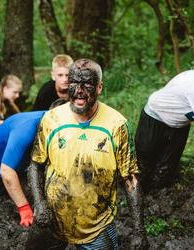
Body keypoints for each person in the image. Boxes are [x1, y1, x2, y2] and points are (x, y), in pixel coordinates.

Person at [26, 59, 149, 249]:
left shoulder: (117, 125)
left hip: (97, 226)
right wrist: (39, 204)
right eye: (74, 82)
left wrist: (139, 231)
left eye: (88, 84)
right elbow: (35, 165)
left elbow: (130, 178)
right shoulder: (52, 119)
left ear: (99, 87)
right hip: (51, 218)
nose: (79, 90)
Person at [135, 56, 194, 193]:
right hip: (155, 116)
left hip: (179, 124)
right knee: (142, 169)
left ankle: (160, 203)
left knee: (165, 174)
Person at [0, 99, 66, 227]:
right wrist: (24, 209)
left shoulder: (60, 120)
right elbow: (6, 171)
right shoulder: (26, 129)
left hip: (20, 162)